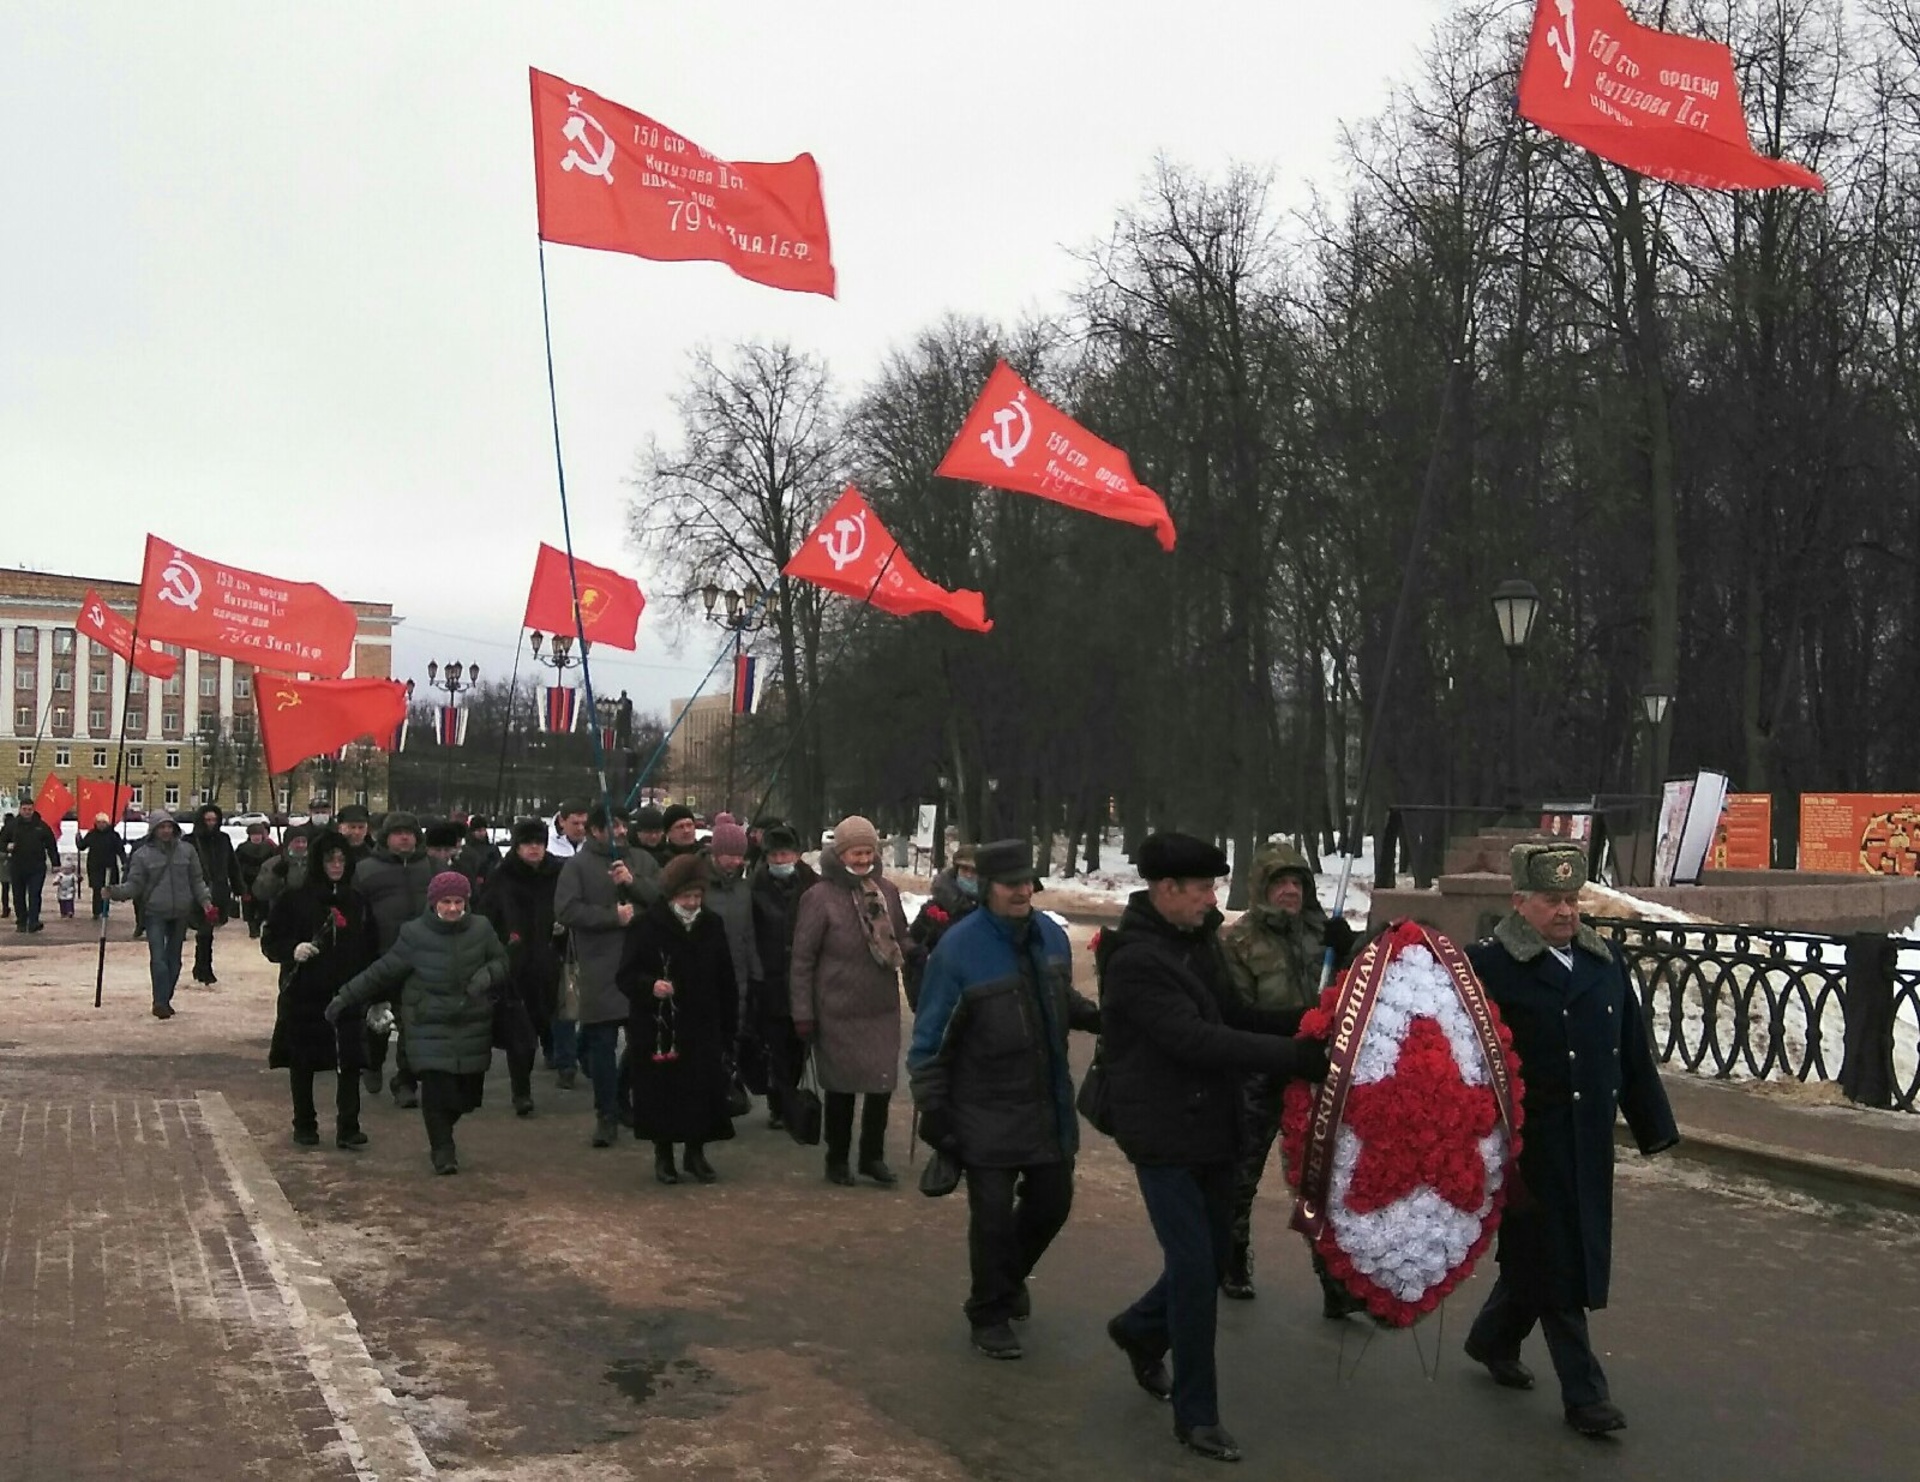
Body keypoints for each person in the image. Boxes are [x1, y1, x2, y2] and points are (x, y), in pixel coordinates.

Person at [1099, 832, 1330, 1465]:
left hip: (1213, 1127)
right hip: (1165, 1135)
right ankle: (1196, 1416)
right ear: (1166, 890)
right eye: (1202, 889)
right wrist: (1298, 1057)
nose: (1212, 901)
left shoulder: (1194, 942)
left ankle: (1140, 1330)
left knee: (1206, 1253)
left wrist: (1316, 1023)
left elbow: (1234, 1016)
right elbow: (1196, 1040)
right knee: (1199, 1268)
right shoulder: (1136, 960)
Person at [1462, 843, 1679, 1437]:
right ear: (1519, 903)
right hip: (1527, 1147)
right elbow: (1464, 1061)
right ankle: (1585, 1397)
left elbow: (1630, 1048)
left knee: (1546, 1256)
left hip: (1587, 1143)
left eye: (1572, 900)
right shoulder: (1489, 967)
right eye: (1551, 900)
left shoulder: (1602, 959)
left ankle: (1491, 1338)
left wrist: (1653, 1125)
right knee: (1559, 1262)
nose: (1565, 912)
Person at [909, 840, 1101, 1360]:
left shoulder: (1052, 937)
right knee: (991, 1216)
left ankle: (1008, 1277)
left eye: (1027, 883)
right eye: (1011, 883)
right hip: (982, 1108)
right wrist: (935, 1111)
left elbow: (1063, 999)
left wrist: (1103, 1016)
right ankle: (988, 1312)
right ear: (988, 886)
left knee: (1052, 1203)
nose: (1021, 891)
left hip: (1046, 1101)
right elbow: (929, 1037)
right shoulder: (959, 949)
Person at [1216, 842, 1359, 1308]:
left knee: (1317, 1177)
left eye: (1297, 882)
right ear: (1262, 889)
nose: (1290, 891)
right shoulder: (1239, 941)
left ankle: (1333, 1279)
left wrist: (1348, 948)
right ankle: (1232, 1258)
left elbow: (1353, 990)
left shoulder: (1321, 933)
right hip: (1260, 1071)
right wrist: (1299, 1025)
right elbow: (1237, 1013)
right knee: (1242, 1173)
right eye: (1280, 883)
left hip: (1317, 1073)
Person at [326, 871, 507, 1175]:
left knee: (467, 1098)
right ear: (433, 903)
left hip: (471, 1021)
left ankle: (444, 1133)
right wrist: (344, 997)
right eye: (446, 902)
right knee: (438, 1092)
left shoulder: (481, 929)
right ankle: (443, 1150)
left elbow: (501, 960)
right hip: (428, 1023)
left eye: (458, 902)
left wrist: (487, 974)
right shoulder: (414, 934)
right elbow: (381, 971)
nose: (452, 908)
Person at [790, 815, 912, 1187]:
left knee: (881, 1084)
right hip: (837, 1009)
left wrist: (925, 947)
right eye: (856, 852)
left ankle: (871, 1157)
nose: (863, 859)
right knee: (840, 1089)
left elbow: (900, 938)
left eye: (869, 852)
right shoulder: (818, 897)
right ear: (840, 853)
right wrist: (803, 1013)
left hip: (880, 1007)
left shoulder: (886, 891)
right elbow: (802, 959)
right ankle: (837, 1158)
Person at [619, 852, 739, 1184]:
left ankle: (696, 1154)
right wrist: (649, 986)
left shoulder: (712, 924)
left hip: (702, 1024)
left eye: (697, 896)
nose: (692, 903)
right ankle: (664, 1156)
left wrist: (729, 1026)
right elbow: (625, 976)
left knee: (701, 1092)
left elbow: (725, 978)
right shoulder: (646, 926)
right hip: (660, 1028)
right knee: (663, 1094)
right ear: (672, 895)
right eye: (686, 896)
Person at [263, 831, 378, 1148]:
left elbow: (371, 945)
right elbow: (270, 940)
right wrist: (292, 949)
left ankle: (349, 1126)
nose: (337, 865)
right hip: (304, 992)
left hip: (347, 992)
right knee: (303, 1063)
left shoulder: (356, 901)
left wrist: (372, 987)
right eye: (330, 860)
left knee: (349, 1062)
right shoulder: (294, 898)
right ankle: (304, 1124)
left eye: (342, 859)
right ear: (319, 862)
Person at [556, 802, 661, 1145]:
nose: (619, 832)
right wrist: (610, 917)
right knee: (601, 1044)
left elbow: (662, 900)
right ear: (596, 830)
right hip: (600, 966)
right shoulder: (578, 866)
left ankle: (623, 1096)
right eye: (612, 826)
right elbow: (567, 909)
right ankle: (606, 1113)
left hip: (641, 966)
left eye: (622, 825)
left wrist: (633, 883)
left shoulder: (642, 860)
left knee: (643, 1041)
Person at [479, 818, 566, 1118]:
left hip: (549, 962)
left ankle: (556, 1054)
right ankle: (522, 1091)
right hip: (513, 967)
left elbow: (569, 909)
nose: (534, 849)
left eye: (539, 843)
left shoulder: (558, 874)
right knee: (521, 1035)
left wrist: (562, 931)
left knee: (546, 1022)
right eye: (528, 843)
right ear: (517, 846)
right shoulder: (501, 877)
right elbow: (486, 919)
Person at [354, 811, 432, 1107]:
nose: (404, 837)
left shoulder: (433, 868)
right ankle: (372, 1063)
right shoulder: (365, 870)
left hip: (423, 960)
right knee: (378, 1021)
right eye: (397, 833)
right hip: (381, 956)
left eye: (409, 833)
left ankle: (405, 1081)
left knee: (414, 1023)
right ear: (386, 837)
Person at [108, 809, 216, 1018]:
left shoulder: (187, 851)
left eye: (169, 827)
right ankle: (160, 1002)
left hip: (181, 913)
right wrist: (115, 892)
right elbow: (134, 884)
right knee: (158, 959)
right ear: (154, 830)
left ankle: (165, 998)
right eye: (161, 827)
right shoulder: (142, 855)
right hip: (154, 912)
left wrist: (206, 903)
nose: (166, 831)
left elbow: (197, 880)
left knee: (174, 960)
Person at [749, 822, 818, 1129]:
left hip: (805, 979)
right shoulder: (756, 887)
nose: (779, 861)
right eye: (774, 855)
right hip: (771, 980)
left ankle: (787, 1094)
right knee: (775, 1046)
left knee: (798, 1047)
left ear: (798, 854)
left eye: (785, 854)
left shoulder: (814, 887)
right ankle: (783, 1105)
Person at [702, 818, 764, 1109]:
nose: (735, 861)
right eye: (729, 855)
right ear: (716, 854)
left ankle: (728, 1088)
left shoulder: (743, 890)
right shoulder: (699, 887)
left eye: (740, 855)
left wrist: (756, 974)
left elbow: (749, 933)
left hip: (739, 975)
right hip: (707, 974)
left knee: (734, 1036)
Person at [905, 844, 979, 1010]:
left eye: (975, 872)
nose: (969, 876)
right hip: (942, 999)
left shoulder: (992, 910)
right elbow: (912, 950)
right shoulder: (934, 909)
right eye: (964, 869)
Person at [188, 803, 241, 984]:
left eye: (214, 820)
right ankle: (204, 967)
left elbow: (232, 865)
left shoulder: (223, 839)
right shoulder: (191, 840)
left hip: (218, 890)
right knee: (204, 930)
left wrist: (239, 888)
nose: (211, 823)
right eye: (208, 820)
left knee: (208, 931)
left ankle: (202, 966)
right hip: (197, 891)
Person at [6, 799, 60, 934]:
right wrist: (7, 847)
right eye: (24, 809)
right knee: (18, 895)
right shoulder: (12, 826)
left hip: (36, 867)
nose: (27, 812)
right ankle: (21, 922)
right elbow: (1, 841)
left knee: (34, 895)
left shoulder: (41, 826)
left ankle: (33, 921)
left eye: (29, 809)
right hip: (17, 866)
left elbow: (51, 845)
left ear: (33, 810)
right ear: (20, 810)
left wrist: (55, 863)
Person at [235, 821, 280, 939]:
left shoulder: (269, 848)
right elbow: (236, 865)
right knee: (249, 906)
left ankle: (259, 922)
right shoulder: (242, 848)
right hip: (248, 881)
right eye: (253, 835)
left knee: (263, 906)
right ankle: (252, 927)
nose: (256, 837)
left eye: (258, 834)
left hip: (264, 881)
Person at [79, 813, 127, 919]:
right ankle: (96, 911)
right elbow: (82, 846)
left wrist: (124, 862)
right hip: (94, 866)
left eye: (103, 823)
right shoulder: (92, 834)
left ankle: (105, 910)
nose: (101, 825)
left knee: (107, 889)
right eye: (98, 822)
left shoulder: (113, 835)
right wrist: (78, 839)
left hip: (109, 866)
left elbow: (120, 850)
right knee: (96, 889)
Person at [457, 815, 502, 893]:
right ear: (472, 832)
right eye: (478, 830)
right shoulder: (466, 850)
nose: (482, 833)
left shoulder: (492, 849)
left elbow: (498, 866)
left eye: (483, 830)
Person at [0, 811, 14, 917]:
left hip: (4, 861)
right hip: (15, 860)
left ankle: (5, 908)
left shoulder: (3, 831)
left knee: (5, 888)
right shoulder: (17, 829)